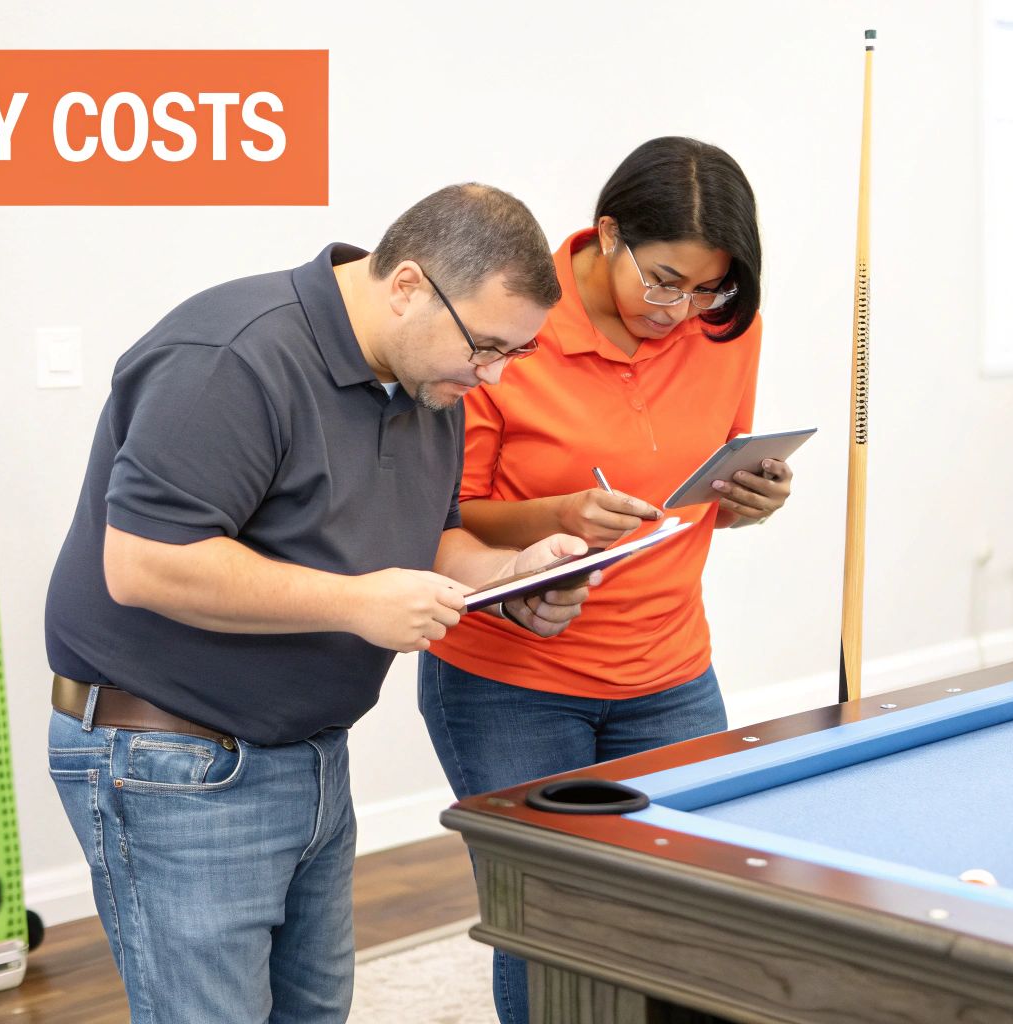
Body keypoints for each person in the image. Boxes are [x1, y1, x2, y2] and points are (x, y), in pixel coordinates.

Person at [43, 183, 599, 1024]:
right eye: (485, 346)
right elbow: (145, 564)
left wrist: (507, 574)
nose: (491, 378)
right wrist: (354, 605)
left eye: (513, 355)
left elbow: (427, 537)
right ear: (408, 286)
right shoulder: (231, 355)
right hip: (171, 761)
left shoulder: (426, 382)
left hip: (307, 758)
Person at [416, 138, 791, 1024]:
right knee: (552, 922)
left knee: (689, 913)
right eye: (664, 280)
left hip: (672, 672)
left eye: (708, 289)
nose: (683, 308)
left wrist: (751, 495)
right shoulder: (511, 319)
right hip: (512, 683)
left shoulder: (725, 330)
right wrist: (560, 513)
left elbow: (702, 490)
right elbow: (447, 516)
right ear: (608, 233)